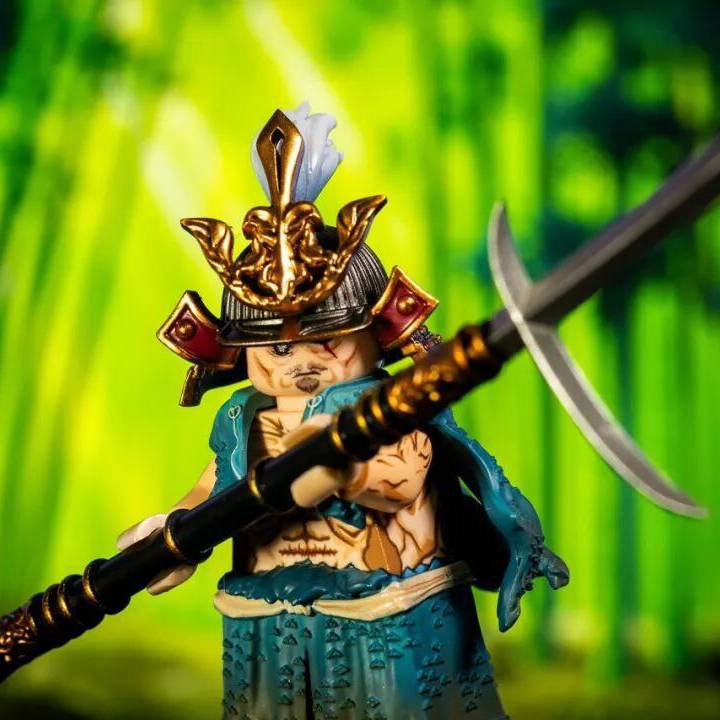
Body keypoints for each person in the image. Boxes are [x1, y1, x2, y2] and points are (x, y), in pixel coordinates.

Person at [120, 103, 568, 720]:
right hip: (267, 626)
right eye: (277, 349)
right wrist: (170, 536)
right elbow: (214, 490)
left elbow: (400, 481)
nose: (300, 363)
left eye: (327, 342)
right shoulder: (243, 419)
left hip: (384, 622)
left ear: (375, 333)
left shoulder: (390, 411)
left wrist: (338, 466)